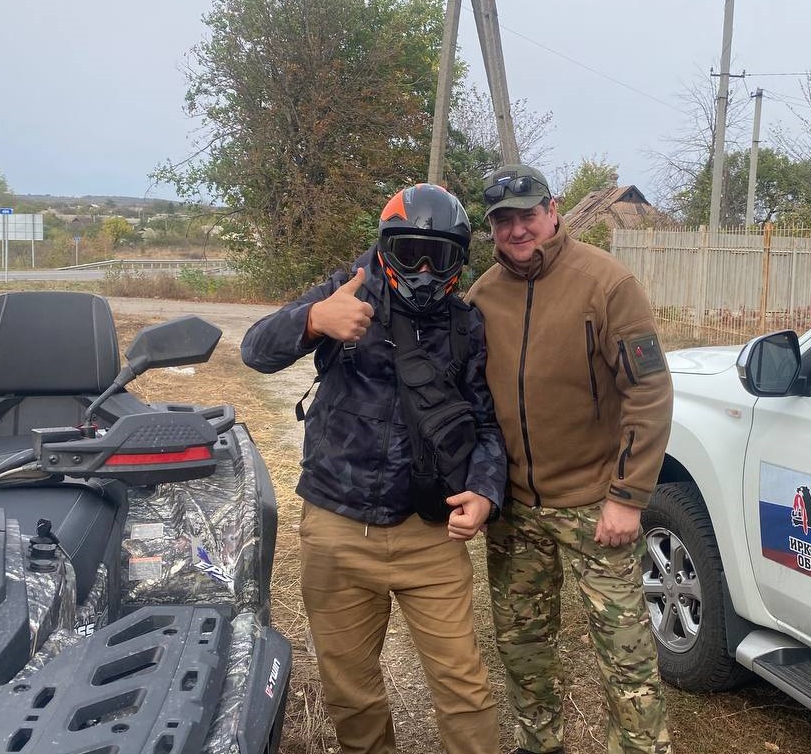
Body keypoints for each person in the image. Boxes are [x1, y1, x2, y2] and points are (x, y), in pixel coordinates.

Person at [241, 184, 506, 754]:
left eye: (442, 256)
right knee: (351, 692)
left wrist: (485, 492)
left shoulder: (466, 326)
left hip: (429, 532)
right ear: (387, 247)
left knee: (465, 690)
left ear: (461, 262)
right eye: (412, 252)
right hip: (337, 525)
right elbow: (255, 351)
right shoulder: (346, 290)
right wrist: (314, 319)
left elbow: (487, 425)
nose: (427, 270)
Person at [466, 164, 674, 754]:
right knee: (522, 648)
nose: (517, 230)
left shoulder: (606, 284)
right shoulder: (482, 296)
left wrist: (627, 497)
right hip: (515, 513)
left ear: (552, 211)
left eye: (527, 215)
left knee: (625, 657)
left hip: (595, 508)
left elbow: (649, 393)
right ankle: (540, 744)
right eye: (503, 221)